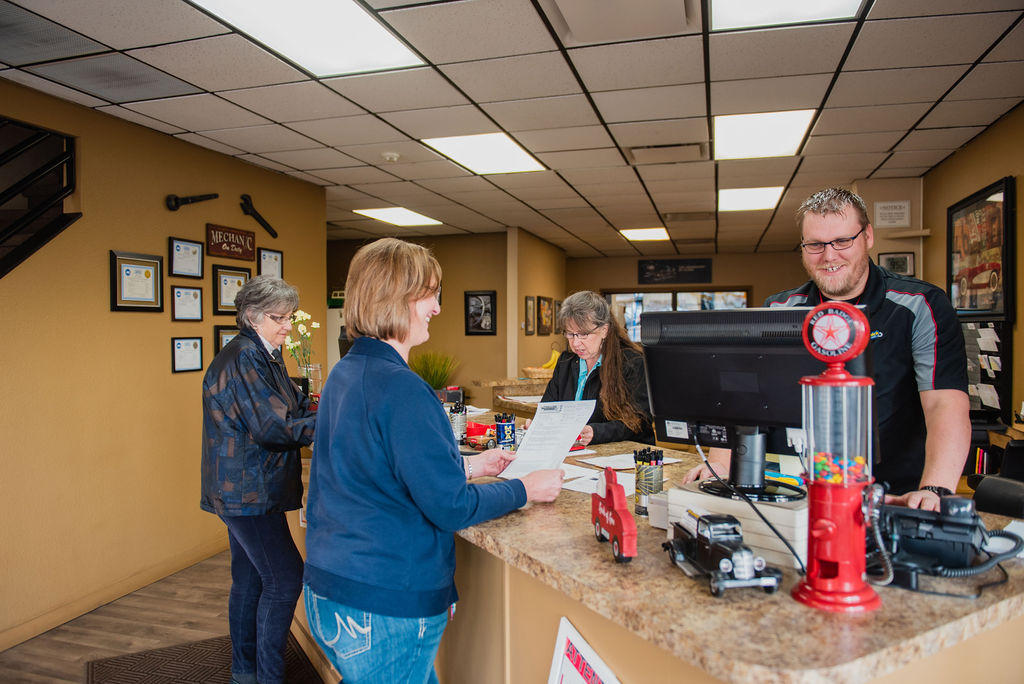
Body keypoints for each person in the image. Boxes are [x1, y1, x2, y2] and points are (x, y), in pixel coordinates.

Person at [303, 238, 563, 683]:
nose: (437, 308)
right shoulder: (403, 389)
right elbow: (450, 507)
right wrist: (526, 488)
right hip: (383, 600)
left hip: (331, 588)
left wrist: (472, 467)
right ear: (397, 298)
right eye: (429, 295)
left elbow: (372, 468)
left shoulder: (346, 372)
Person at [683, 187, 970, 512]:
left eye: (842, 241)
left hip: (888, 498)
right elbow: (743, 398)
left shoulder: (920, 305)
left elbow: (944, 405)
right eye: (815, 245)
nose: (829, 256)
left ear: (868, 236)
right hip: (791, 492)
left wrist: (935, 488)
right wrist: (721, 463)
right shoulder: (779, 308)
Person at [200, 275, 316, 684]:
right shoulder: (246, 357)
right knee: (285, 580)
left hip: (240, 489)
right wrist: (331, 423)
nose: (287, 326)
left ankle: (245, 673)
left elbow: (293, 402)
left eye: (289, 317)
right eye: (278, 318)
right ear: (251, 317)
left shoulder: (264, 353)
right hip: (247, 491)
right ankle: (266, 677)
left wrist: (318, 405)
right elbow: (274, 427)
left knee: (250, 580)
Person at [537, 290, 654, 445]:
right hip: (575, 451)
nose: (576, 343)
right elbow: (549, 407)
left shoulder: (631, 362)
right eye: (570, 334)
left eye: (583, 334)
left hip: (622, 455)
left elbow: (640, 420)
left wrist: (596, 432)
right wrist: (539, 425)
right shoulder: (566, 362)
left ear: (604, 330)